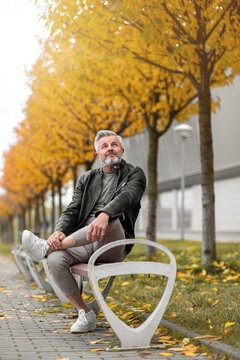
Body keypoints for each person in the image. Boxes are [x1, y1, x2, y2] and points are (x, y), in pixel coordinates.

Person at [22, 130, 146, 333]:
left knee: (110, 221)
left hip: (113, 242)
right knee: (55, 260)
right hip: (82, 241)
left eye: (114, 145)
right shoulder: (87, 178)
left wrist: (105, 214)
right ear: (98, 154)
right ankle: (85, 313)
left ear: (122, 150)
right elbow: (72, 209)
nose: (110, 149)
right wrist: (59, 231)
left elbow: (129, 196)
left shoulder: (135, 174)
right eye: (104, 146)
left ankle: (45, 248)